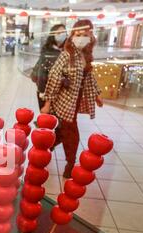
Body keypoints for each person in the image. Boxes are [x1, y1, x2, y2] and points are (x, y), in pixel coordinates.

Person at [41, 19, 103, 179]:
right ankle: (70, 163)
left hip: (77, 99)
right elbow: (54, 78)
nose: (81, 38)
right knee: (72, 132)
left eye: (85, 35)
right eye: (78, 34)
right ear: (72, 35)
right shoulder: (66, 55)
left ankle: (46, 145)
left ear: (91, 36)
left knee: (63, 131)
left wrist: (97, 94)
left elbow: (89, 77)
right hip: (65, 100)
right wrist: (47, 103)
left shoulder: (86, 55)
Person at [34, 24, 67, 109]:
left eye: (64, 32)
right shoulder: (47, 50)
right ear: (53, 35)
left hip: (62, 91)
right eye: (59, 33)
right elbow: (42, 73)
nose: (62, 35)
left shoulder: (68, 50)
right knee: (46, 117)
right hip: (46, 88)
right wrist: (42, 91)